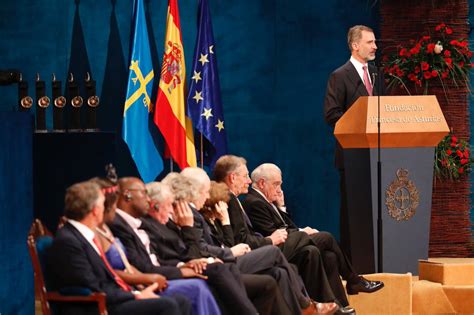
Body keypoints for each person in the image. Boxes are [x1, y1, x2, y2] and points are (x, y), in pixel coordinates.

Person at [179, 168, 337, 315]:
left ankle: (308, 307)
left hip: (230, 258)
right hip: (224, 263)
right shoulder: (194, 215)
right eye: (205, 192)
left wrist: (226, 224)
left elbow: (220, 243)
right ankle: (306, 305)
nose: (206, 197)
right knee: (286, 248)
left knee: (282, 270)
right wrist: (233, 247)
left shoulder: (200, 215)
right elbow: (206, 249)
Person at [213, 155, 354, 315]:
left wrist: (281, 211)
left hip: (251, 250)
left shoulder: (233, 199)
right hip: (248, 254)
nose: (249, 181)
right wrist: (270, 240)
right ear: (233, 177)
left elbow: (242, 236)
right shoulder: (232, 199)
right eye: (245, 176)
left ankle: (331, 305)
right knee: (322, 237)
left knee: (311, 252)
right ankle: (337, 289)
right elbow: (241, 239)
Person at [108, 176, 258, 315]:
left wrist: (188, 263)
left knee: (224, 269)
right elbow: (151, 263)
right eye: (170, 206)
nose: (146, 199)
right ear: (156, 207)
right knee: (206, 279)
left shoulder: (147, 224)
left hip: (166, 270)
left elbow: (182, 255)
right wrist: (182, 267)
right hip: (155, 276)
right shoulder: (139, 225)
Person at [242, 163, 384, 303]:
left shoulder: (266, 200)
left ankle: (339, 306)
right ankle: (354, 280)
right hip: (277, 249)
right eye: (276, 184)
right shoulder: (255, 202)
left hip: (290, 244)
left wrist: (282, 207)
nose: (279, 189)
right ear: (262, 183)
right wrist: (303, 231)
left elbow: (287, 226)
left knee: (328, 256)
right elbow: (274, 233)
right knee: (326, 238)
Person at [46, 180, 191, 315]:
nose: (107, 209)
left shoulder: (84, 235)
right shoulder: (68, 241)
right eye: (103, 204)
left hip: (113, 297)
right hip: (95, 306)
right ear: (96, 210)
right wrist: (135, 295)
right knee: (168, 305)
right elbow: (91, 285)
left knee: (182, 301)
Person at [90, 172, 221, 315]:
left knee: (214, 275)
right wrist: (151, 279)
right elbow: (124, 268)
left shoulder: (125, 224)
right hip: (125, 290)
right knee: (196, 286)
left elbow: (130, 265)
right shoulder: (116, 225)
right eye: (143, 193)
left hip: (145, 278)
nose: (148, 199)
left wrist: (183, 266)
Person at [323, 25, 383, 260]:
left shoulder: (376, 74)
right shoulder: (340, 75)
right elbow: (331, 114)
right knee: (354, 213)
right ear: (355, 45)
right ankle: (353, 262)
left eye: (374, 42)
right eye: (370, 42)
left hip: (378, 156)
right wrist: (358, 125)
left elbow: (382, 113)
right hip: (352, 156)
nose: (375, 46)